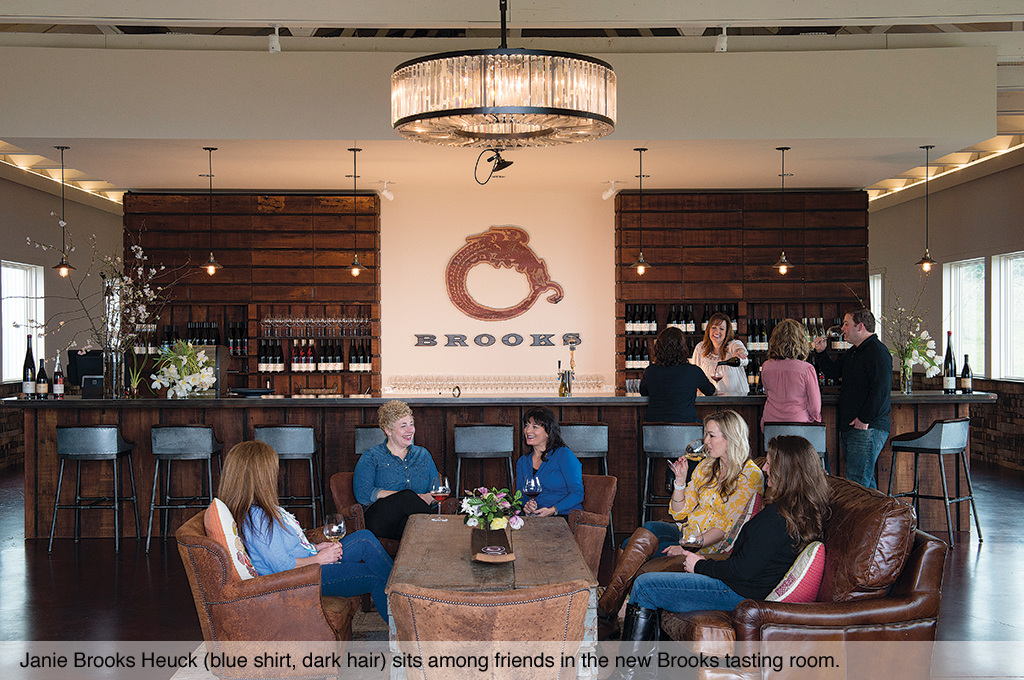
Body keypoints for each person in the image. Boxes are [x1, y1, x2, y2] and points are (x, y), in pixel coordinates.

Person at [611, 435, 829, 680]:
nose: (765, 468)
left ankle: (626, 674)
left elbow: (741, 571)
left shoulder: (776, 519)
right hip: (743, 586)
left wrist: (700, 566)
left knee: (646, 586)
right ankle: (647, 672)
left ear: (788, 471)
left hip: (739, 592)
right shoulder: (798, 511)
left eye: (770, 464)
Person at [597, 410, 763, 633]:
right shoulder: (706, 466)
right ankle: (611, 607)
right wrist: (680, 481)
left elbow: (726, 529)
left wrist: (688, 545)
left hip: (709, 544)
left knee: (634, 546)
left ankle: (608, 608)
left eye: (711, 436)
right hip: (688, 531)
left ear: (730, 438)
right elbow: (679, 513)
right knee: (649, 529)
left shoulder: (749, 475)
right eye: (706, 435)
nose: (706, 441)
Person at [218, 440, 394, 623]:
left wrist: (316, 547)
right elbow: (281, 566)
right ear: (260, 477)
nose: (275, 476)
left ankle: (404, 595)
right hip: (301, 578)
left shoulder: (260, 511)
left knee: (364, 538)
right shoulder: (258, 519)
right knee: (376, 577)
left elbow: (285, 548)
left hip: (309, 564)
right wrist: (319, 559)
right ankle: (405, 625)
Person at [812, 308, 892, 489]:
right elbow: (833, 372)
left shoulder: (877, 352)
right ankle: (879, 517)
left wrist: (864, 419)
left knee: (857, 484)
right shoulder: (854, 352)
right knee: (864, 483)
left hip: (867, 427)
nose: (843, 329)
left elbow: (881, 390)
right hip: (853, 426)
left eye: (846, 324)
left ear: (860, 327)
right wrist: (821, 352)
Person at [354, 400, 440, 540]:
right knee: (407, 496)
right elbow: (363, 493)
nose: (410, 430)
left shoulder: (423, 454)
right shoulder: (372, 456)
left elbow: (437, 491)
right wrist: (404, 496)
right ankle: (441, 532)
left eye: (411, 424)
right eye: (403, 426)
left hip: (411, 520)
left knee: (412, 527)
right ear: (388, 430)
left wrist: (426, 497)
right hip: (380, 520)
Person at [514, 406, 584, 516]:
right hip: (534, 517)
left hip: (562, 515)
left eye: (535, 427)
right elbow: (520, 496)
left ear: (548, 432)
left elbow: (577, 493)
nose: (528, 430)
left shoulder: (564, 455)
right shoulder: (522, 462)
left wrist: (553, 510)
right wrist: (526, 505)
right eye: (527, 425)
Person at [641, 326, 716, 424]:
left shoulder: (650, 371)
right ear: (683, 347)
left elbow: (644, 393)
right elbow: (711, 392)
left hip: (655, 433)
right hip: (687, 432)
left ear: (657, 347)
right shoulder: (693, 371)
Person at [760, 318, 822, 431]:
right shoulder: (806, 369)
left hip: (771, 423)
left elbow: (767, 392)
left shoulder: (766, 366)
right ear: (800, 341)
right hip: (798, 423)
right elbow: (815, 406)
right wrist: (815, 420)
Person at [690, 312, 749, 396]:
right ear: (708, 329)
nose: (717, 332)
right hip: (709, 402)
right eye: (713, 327)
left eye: (721, 329)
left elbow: (738, 348)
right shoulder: (700, 348)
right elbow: (694, 375)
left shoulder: (733, 345)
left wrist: (739, 352)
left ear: (727, 332)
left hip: (736, 401)